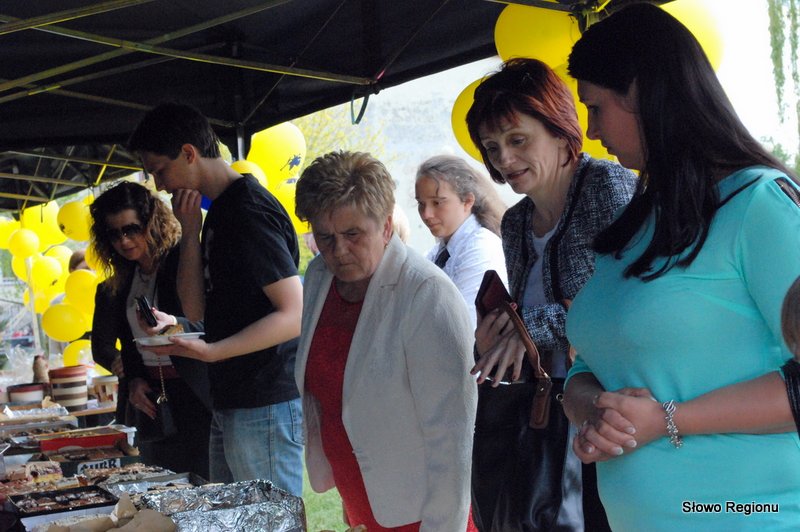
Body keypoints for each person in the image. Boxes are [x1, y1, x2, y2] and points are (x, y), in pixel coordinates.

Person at [561, 4, 800, 530]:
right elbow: (589, 365)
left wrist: (669, 419)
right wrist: (595, 408)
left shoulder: (760, 205)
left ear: (642, 93)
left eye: (596, 107)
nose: (591, 131)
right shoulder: (639, 222)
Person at [465, 57, 638, 531]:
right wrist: (496, 337)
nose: (503, 159)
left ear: (561, 131)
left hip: (614, 411)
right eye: (492, 147)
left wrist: (529, 328)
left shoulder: (607, 185)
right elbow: (529, 325)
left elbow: (625, 306)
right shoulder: (515, 222)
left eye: (517, 140)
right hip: (542, 412)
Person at [294, 150, 478, 530]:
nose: (338, 251)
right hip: (361, 495)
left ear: (386, 225)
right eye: (325, 237)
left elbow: (452, 440)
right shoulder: (318, 277)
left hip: (422, 512)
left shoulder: (427, 293)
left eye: (353, 234)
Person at [127, 102, 304, 495]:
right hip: (231, 396)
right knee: (233, 516)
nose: (159, 185)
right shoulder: (218, 212)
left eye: (160, 170)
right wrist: (190, 233)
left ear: (189, 153)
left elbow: (294, 314)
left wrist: (213, 351)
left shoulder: (248, 210)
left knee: (271, 518)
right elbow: (196, 309)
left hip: (264, 398)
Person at [89, 181, 211, 478]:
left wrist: (172, 326)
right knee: (159, 482)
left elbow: (207, 322)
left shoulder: (182, 262)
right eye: (114, 233)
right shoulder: (114, 285)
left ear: (152, 223)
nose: (124, 241)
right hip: (148, 396)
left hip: (195, 389)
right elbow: (104, 345)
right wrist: (131, 377)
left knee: (206, 480)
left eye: (131, 229)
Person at [415, 154, 508, 327]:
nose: (426, 214)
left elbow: (464, 326)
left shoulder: (481, 248)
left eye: (437, 203)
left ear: (467, 201)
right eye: (421, 203)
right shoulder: (438, 251)